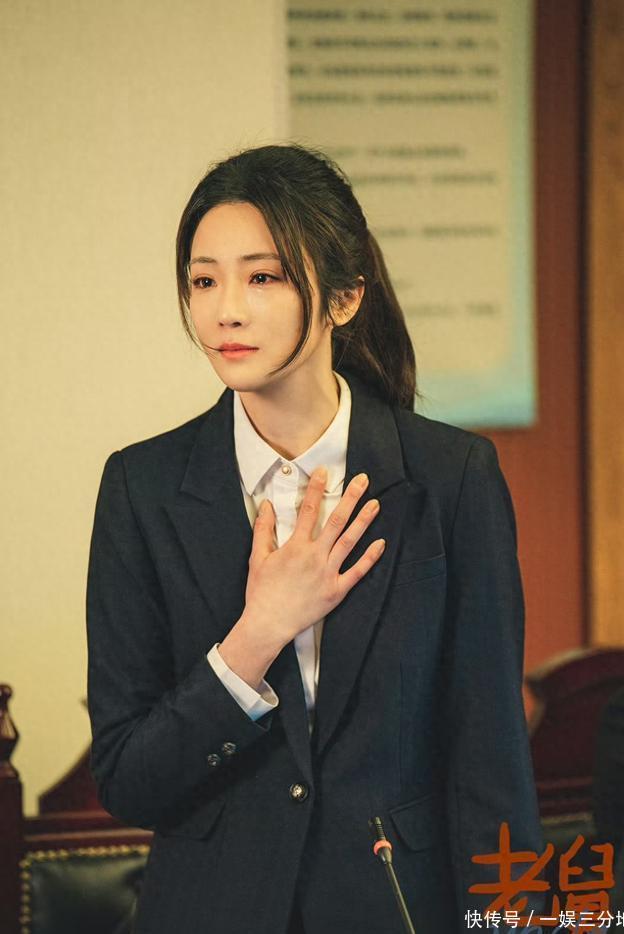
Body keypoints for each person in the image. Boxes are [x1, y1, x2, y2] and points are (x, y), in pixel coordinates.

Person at [86, 144, 543, 934]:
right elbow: (129, 779)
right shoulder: (141, 488)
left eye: (263, 277)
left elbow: (492, 767)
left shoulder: (451, 479)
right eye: (204, 280)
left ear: (344, 296)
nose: (226, 311)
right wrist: (256, 635)